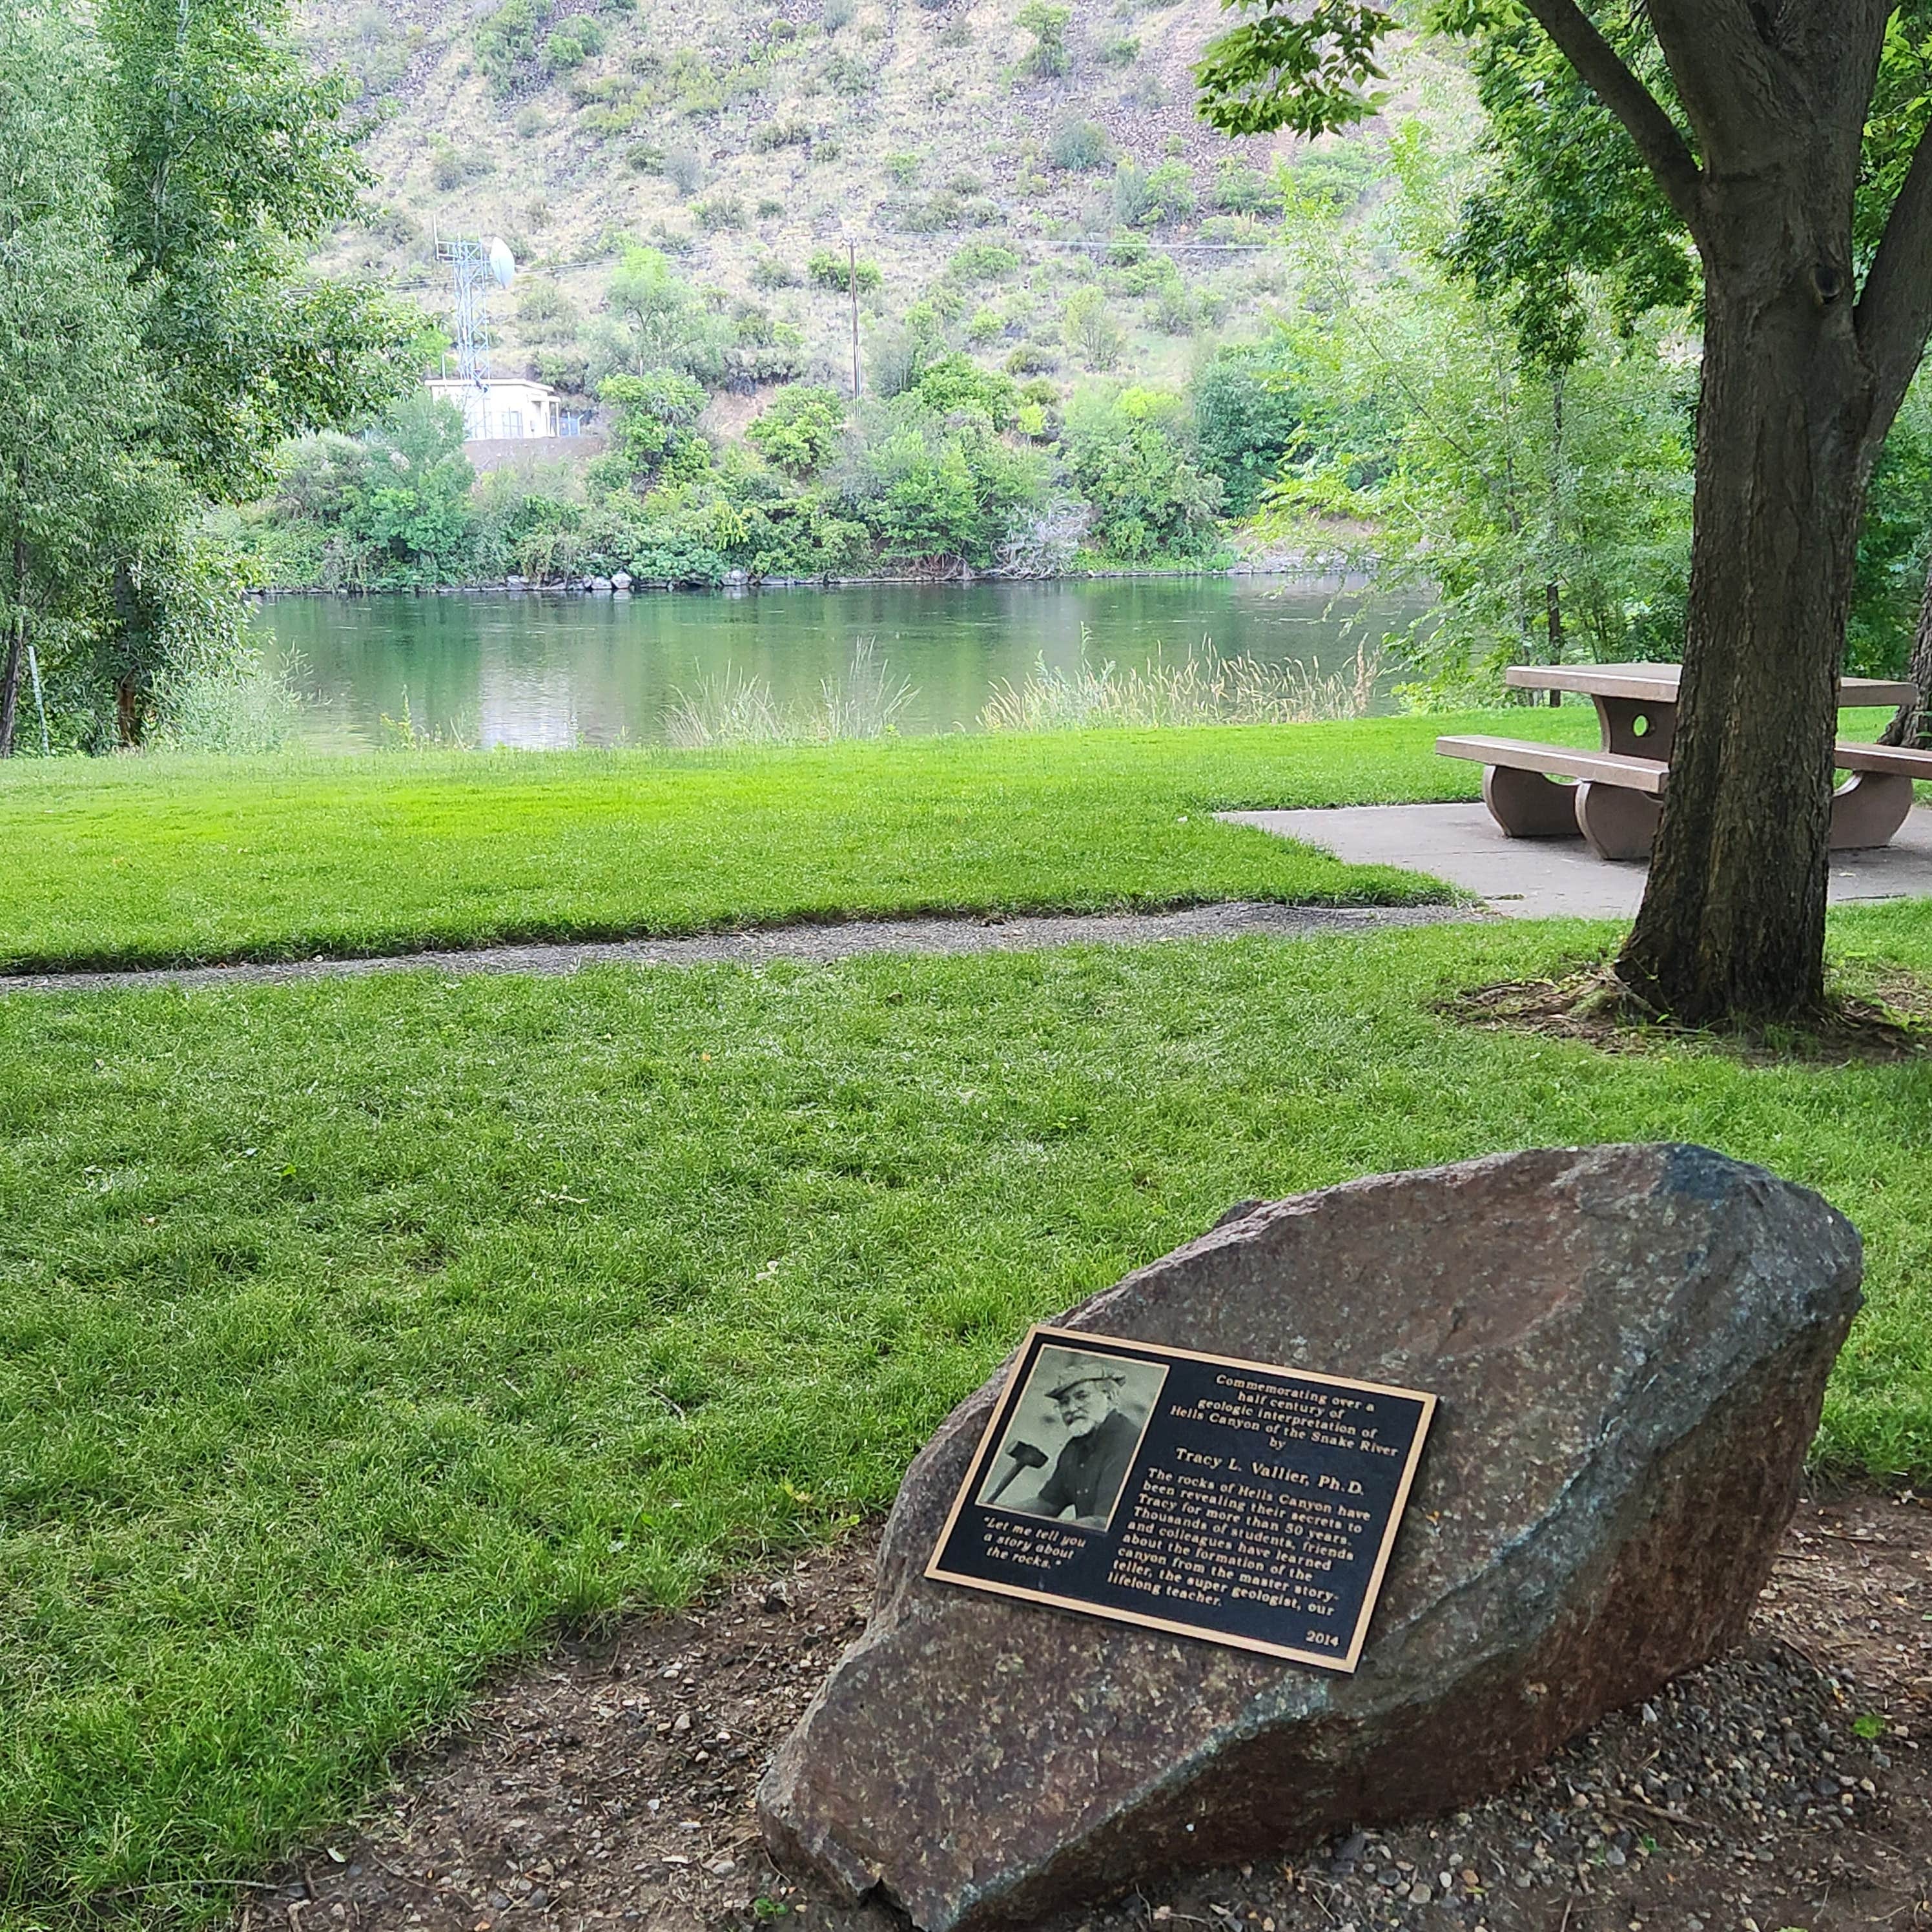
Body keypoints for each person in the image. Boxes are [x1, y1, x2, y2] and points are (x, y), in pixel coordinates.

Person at [1016, 1363, 1138, 1528]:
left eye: (1082, 1397)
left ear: (1109, 1398)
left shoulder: (1128, 1442)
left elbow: (1105, 1523)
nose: (1071, 1409)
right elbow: (1046, 1505)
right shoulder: (1074, 1449)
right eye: (1064, 1402)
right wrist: (996, 1514)